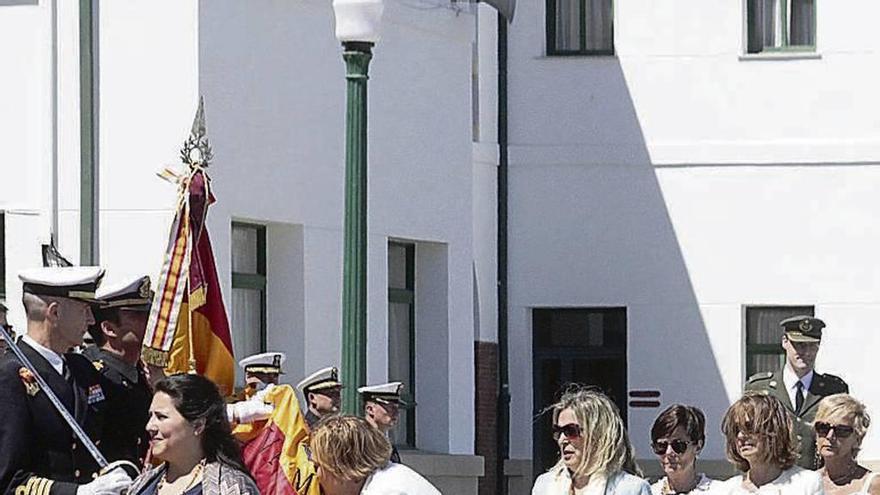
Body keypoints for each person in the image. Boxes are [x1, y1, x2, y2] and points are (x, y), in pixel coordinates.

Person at [0, 266, 132, 495]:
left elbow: (122, 423)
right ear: (55, 313)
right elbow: (9, 479)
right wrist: (79, 493)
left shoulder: (80, 368)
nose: (91, 320)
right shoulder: (10, 376)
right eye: (84, 309)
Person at [745, 315, 849, 469]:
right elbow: (747, 439)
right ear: (785, 342)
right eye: (798, 345)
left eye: (811, 345)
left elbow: (845, 438)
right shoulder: (760, 389)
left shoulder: (833, 390)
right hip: (773, 480)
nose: (805, 352)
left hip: (819, 480)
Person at [128, 373, 259, 495]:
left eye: (161, 417)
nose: (149, 426)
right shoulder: (142, 485)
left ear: (198, 425)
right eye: (151, 416)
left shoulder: (232, 487)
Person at [82, 275, 154, 466]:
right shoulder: (91, 374)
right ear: (109, 328)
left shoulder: (141, 372)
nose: (150, 321)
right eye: (138, 316)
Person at [532, 387, 650, 495]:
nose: (562, 440)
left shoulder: (631, 489)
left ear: (598, 434)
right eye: (558, 431)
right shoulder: (545, 485)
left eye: (571, 431)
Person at [718, 392, 822, 495]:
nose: (740, 436)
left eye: (749, 427)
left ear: (774, 430)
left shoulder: (807, 483)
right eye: (736, 430)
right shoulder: (726, 490)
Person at [309, 415, 440, 494]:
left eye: (317, 467)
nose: (313, 474)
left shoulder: (386, 490)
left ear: (345, 468)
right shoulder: (390, 475)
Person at [814, 394, 880, 495]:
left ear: (857, 439)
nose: (830, 436)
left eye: (841, 430)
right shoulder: (805, 483)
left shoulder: (873, 484)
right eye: (823, 428)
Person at [649, 404, 717, 495]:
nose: (669, 452)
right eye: (661, 446)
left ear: (698, 446)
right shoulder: (649, 492)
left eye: (678, 445)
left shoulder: (718, 491)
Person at [226, 351, 285, 425]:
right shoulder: (235, 400)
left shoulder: (282, 396)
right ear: (248, 377)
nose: (273, 381)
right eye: (265, 375)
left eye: (275, 375)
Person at [358, 381, 407, 463]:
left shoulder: (388, 445)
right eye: (391, 408)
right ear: (370, 409)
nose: (396, 412)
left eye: (397, 408)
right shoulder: (359, 441)